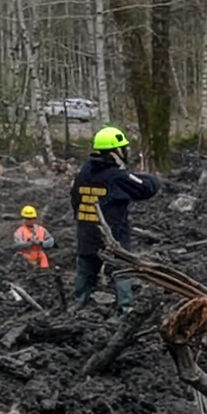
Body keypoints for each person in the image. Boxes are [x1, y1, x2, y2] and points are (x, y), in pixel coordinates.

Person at [72, 126, 161, 311]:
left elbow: (75, 201)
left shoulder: (83, 173)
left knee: (85, 275)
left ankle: (77, 309)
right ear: (116, 151)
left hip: (86, 234)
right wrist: (151, 178)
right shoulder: (116, 176)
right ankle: (125, 310)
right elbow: (146, 188)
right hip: (113, 238)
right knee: (122, 272)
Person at [12, 205, 55, 269]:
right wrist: (29, 243)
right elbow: (15, 246)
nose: (29, 220)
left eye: (31, 218)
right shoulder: (19, 232)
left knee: (43, 259)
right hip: (25, 260)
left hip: (39, 257)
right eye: (27, 218)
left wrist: (41, 243)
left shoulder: (41, 230)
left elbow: (51, 241)